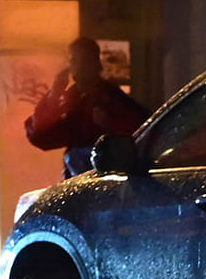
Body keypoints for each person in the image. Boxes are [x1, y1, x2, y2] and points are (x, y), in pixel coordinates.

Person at [25, 37, 149, 177]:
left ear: (96, 64)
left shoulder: (111, 97)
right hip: (79, 181)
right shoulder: (70, 100)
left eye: (85, 60)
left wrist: (110, 124)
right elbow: (41, 136)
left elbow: (144, 129)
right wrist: (54, 96)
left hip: (111, 178)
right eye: (74, 61)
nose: (79, 66)